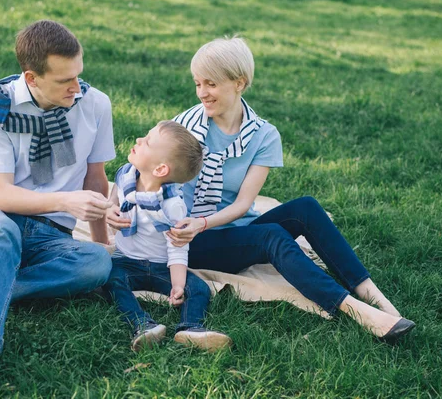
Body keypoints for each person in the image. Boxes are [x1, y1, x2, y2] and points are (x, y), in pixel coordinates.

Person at [161, 37, 414, 342]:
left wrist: (208, 222)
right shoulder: (185, 126)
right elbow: (155, 179)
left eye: (211, 84)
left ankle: (376, 298)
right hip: (190, 240)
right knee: (271, 236)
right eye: (198, 83)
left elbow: (243, 204)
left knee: (306, 207)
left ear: (239, 83)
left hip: (231, 226)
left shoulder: (264, 135)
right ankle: (357, 311)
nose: (202, 92)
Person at [0, 20, 116, 388]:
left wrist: (101, 242)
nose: (76, 87)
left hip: (52, 233)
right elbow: (2, 195)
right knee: (1, 234)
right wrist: (65, 200)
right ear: (32, 78)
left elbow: (96, 179)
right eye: (64, 80)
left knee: (97, 263)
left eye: (78, 74)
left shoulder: (94, 104)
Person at [104, 121, 232, 352]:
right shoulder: (125, 175)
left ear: (160, 169)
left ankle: (191, 327)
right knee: (110, 280)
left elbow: (178, 246)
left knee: (199, 289)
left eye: (147, 141)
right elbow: (113, 199)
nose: (138, 140)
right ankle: (142, 325)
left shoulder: (172, 205)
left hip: (162, 265)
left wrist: (178, 284)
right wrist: (109, 210)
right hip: (126, 260)